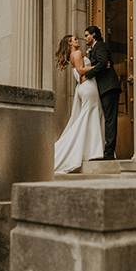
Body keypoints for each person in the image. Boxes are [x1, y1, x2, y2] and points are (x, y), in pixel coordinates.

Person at [53, 34, 105, 174]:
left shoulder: (73, 55)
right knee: (89, 116)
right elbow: (81, 70)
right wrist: (99, 66)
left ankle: (91, 150)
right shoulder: (77, 53)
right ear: (70, 44)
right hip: (88, 86)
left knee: (90, 116)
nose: (78, 40)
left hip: (85, 87)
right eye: (74, 39)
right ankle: (92, 150)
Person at [81, 26, 122, 160]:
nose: (85, 38)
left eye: (87, 35)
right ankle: (106, 149)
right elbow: (103, 63)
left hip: (109, 87)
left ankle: (109, 151)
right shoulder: (94, 49)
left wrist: (88, 75)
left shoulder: (101, 46)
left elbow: (104, 62)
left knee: (110, 119)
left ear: (94, 35)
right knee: (107, 118)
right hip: (104, 87)